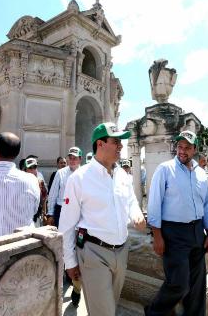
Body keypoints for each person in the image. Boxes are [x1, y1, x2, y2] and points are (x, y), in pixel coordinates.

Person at [58, 122, 145, 316]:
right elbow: (66, 225)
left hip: (121, 251)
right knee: (104, 312)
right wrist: (70, 262)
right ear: (100, 144)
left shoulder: (122, 175)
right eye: (116, 141)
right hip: (93, 252)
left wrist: (136, 214)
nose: (121, 146)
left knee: (109, 307)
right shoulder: (79, 178)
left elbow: (131, 201)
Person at [145, 130, 208, 316]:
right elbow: (154, 204)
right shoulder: (165, 169)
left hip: (197, 231)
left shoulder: (201, 174)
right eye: (180, 147)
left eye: (187, 148)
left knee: (198, 284)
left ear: (195, 150)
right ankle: (153, 312)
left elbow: (207, 203)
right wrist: (157, 236)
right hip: (173, 233)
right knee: (179, 284)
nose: (182, 151)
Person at [47, 147, 83, 306]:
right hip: (62, 211)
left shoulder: (85, 174)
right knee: (63, 245)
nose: (72, 160)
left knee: (79, 246)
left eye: (75, 157)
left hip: (81, 212)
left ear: (80, 159)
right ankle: (63, 279)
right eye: (70, 157)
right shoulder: (60, 174)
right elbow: (53, 194)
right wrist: (50, 214)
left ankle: (77, 286)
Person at [24, 157, 48, 226]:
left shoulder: (40, 180)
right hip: (25, 215)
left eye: (34, 167)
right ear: (26, 169)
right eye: (30, 168)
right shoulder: (21, 181)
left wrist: (44, 213)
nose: (33, 170)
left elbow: (44, 199)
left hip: (37, 215)